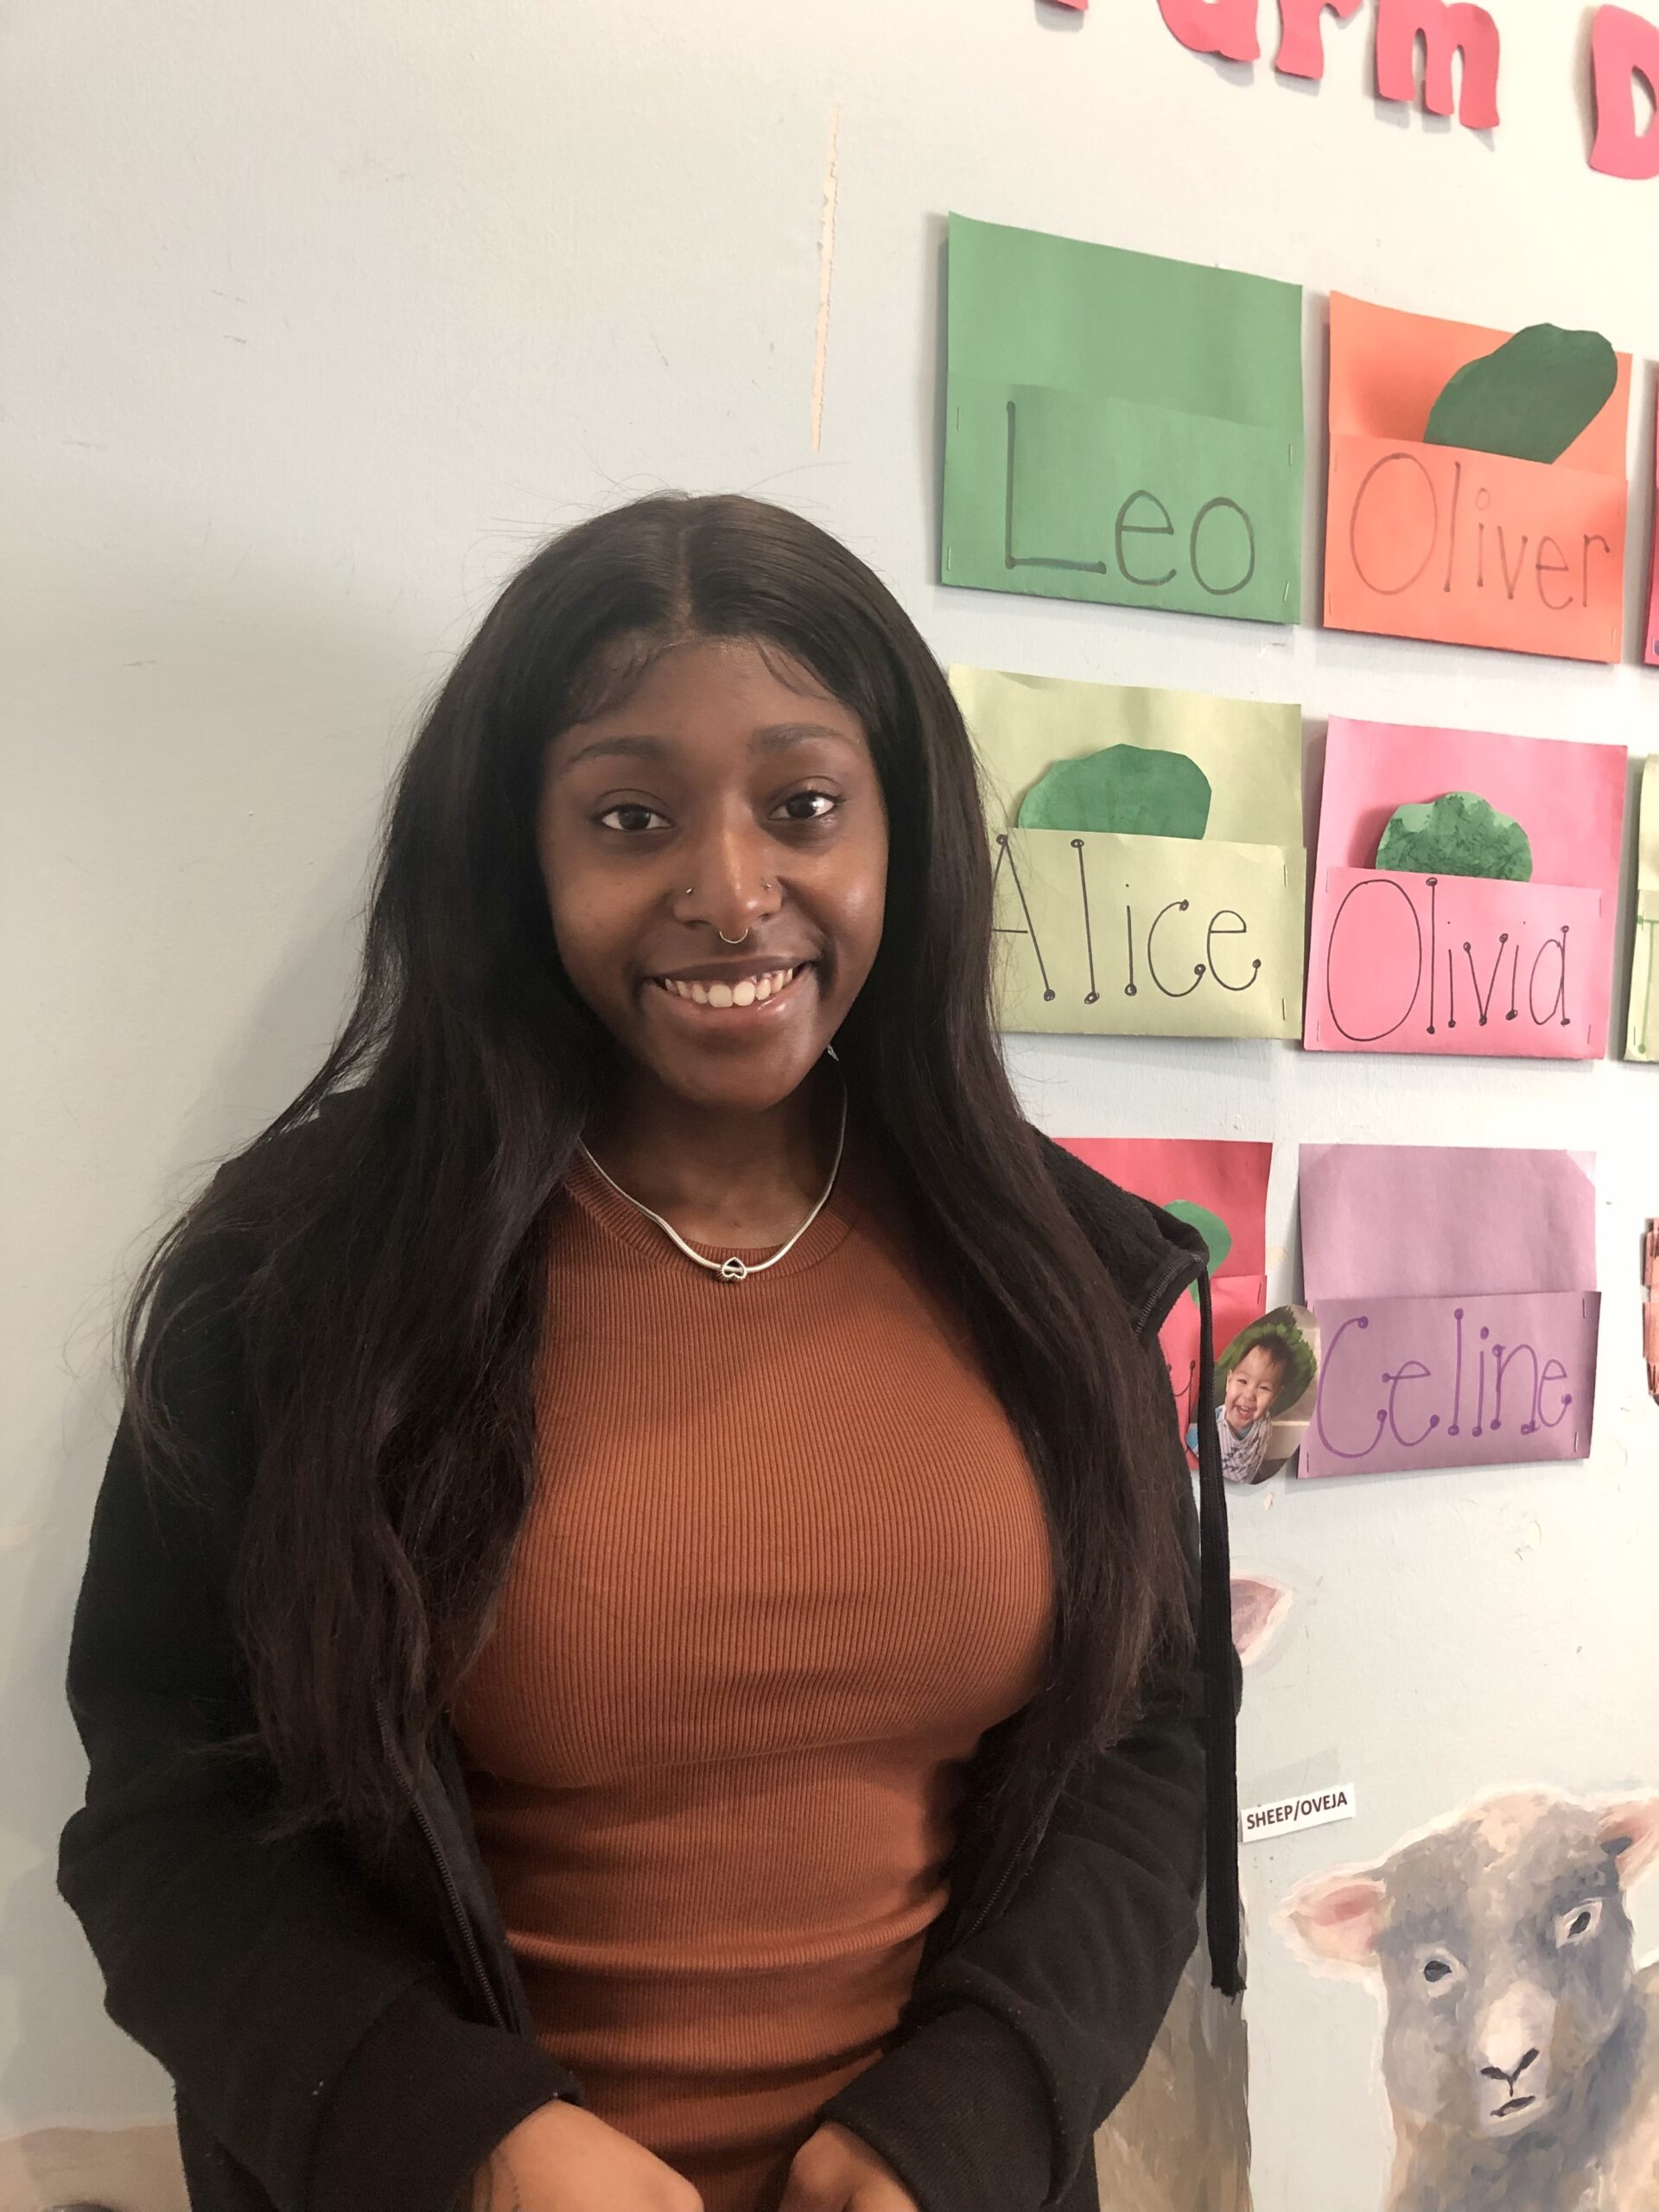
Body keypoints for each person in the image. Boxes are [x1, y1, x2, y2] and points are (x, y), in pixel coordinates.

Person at [56, 493, 1242, 2212]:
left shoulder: (1054, 1264)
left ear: (901, 833)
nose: (732, 894)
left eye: (804, 806)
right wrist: (463, 2141)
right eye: (630, 817)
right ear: (518, 857)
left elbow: (1150, 1730)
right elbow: (165, 1809)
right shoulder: (303, 1275)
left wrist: (977, 2110)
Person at [1216, 1337, 1294, 1484]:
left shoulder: (1264, 1423)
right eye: (1243, 1381)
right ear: (1229, 1381)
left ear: (1275, 1396)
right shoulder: (1207, 1430)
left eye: (1264, 1388)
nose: (1249, 1395)